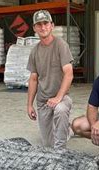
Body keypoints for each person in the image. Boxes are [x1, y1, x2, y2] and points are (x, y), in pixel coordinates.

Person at [27, 10, 74, 149]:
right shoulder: (34, 51)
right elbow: (33, 79)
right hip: (43, 101)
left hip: (61, 98)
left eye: (46, 23)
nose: (43, 27)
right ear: (34, 28)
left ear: (52, 25)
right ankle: (68, 130)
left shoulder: (61, 45)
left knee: (60, 110)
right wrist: (29, 105)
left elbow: (69, 74)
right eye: (39, 24)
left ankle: (61, 152)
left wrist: (58, 97)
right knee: (47, 145)